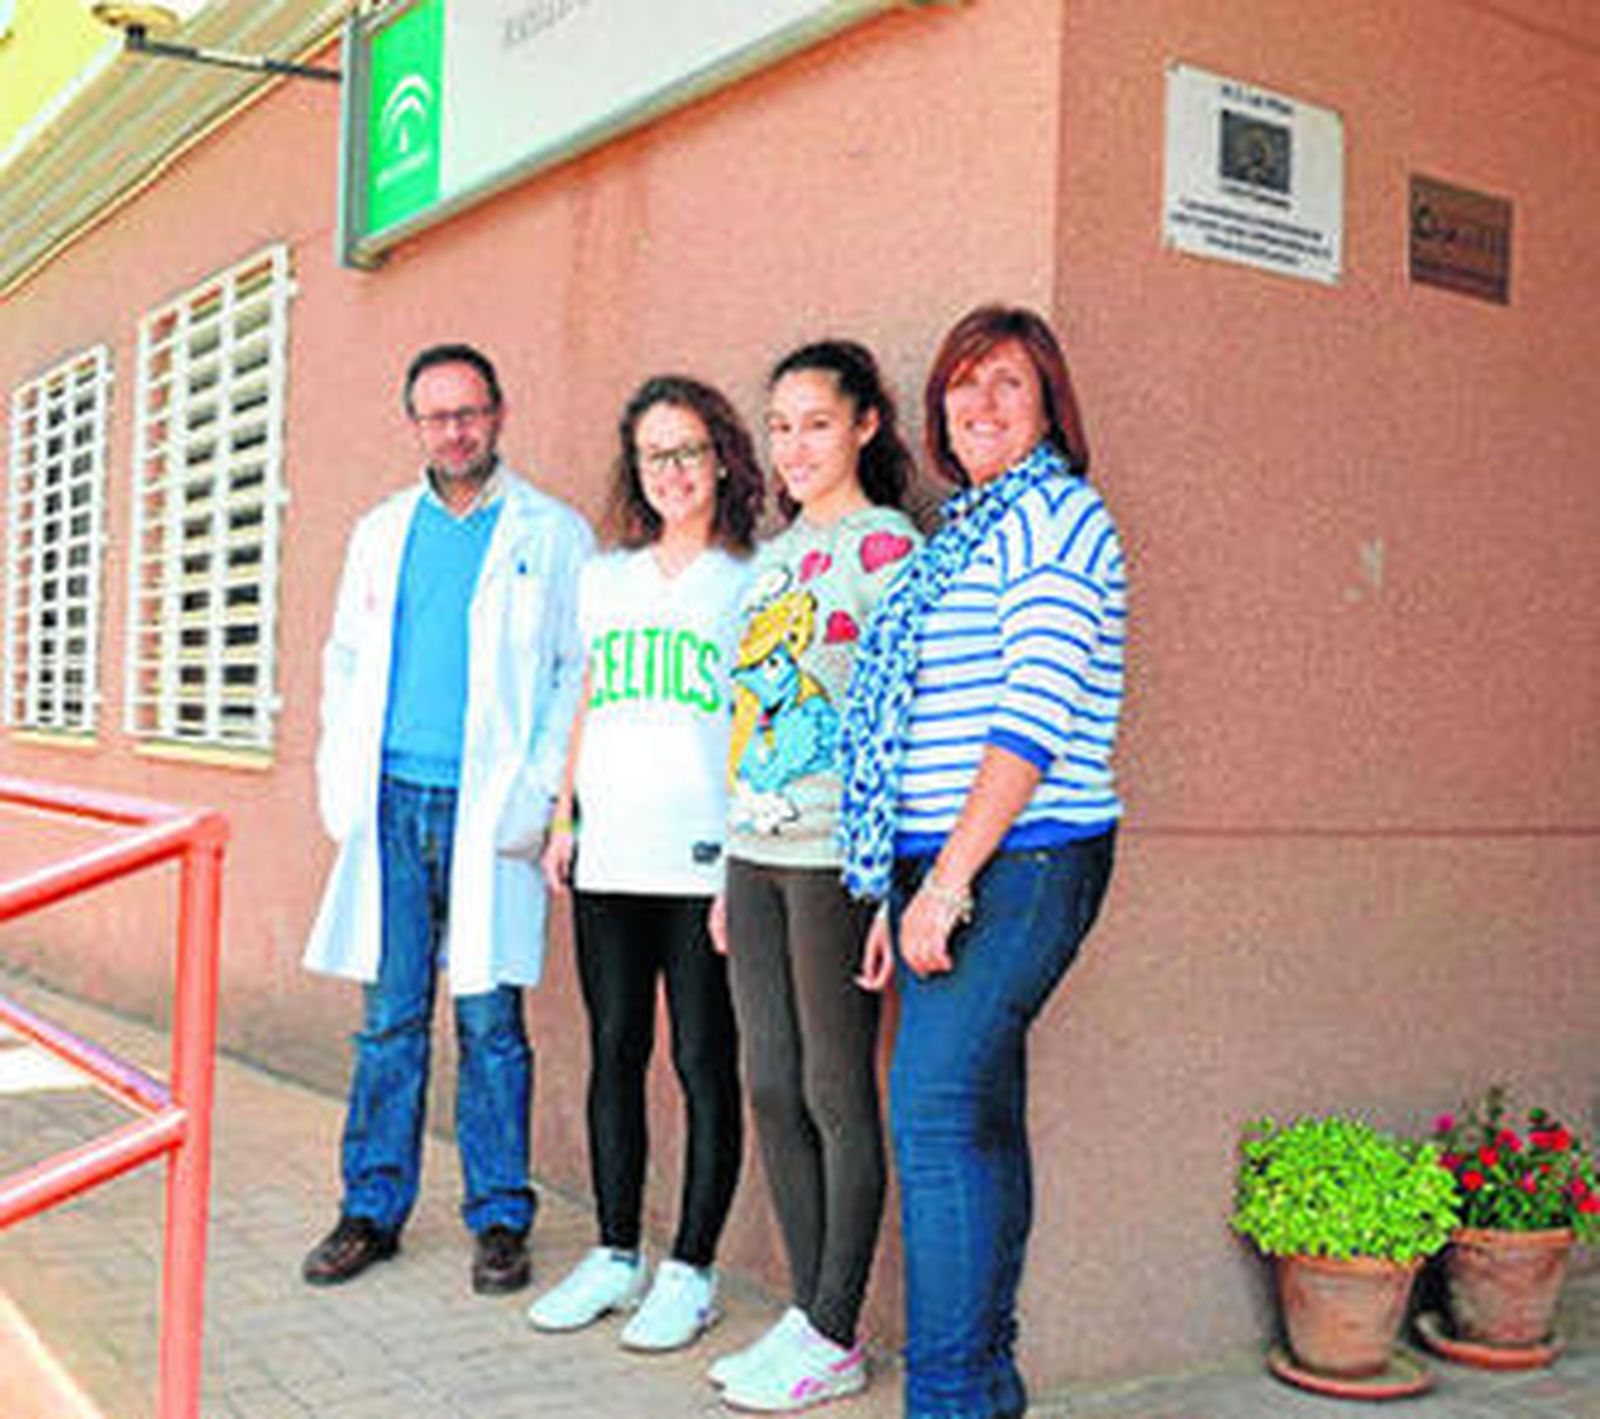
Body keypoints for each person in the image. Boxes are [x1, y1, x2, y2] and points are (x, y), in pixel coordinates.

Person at [840, 305, 1125, 1419]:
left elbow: (1030, 715)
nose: (981, 405)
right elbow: (913, 724)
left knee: (932, 1115)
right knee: (976, 1118)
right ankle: (985, 1389)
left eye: (1009, 383)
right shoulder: (965, 528)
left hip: (1025, 858)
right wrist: (898, 888)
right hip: (941, 864)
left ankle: (950, 1397)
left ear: (1051, 403)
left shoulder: (1056, 517)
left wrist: (950, 883)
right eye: (963, 385)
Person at [300, 342, 593, 1295]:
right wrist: (341, 776)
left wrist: (541, 788)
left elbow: (573, 676)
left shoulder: (551, 532)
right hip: (391, 800)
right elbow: (345, 658)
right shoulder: (382, 531)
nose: (455, 429)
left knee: (490, 1019)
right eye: (436, 415)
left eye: (469, 412)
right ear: (414, 425)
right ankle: (370, 1209)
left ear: (499, 414)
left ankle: (500, 1217)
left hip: (488, 808)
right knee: (389, 1019)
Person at [526, 376, 763, 1350]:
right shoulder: (605, 579)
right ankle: (616, 1253)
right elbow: (588, 697)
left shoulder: (754, 577)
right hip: (609, 852)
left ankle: (691, 1271)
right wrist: (563, 813)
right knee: (614, 1051)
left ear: (722, 460)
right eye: (653, 454)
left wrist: (741, 860)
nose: (671, 471)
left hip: (703, 862)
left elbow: (763, 718)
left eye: (688, 450)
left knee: (705, 1061)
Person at [709, 340, 920, 1412]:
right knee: (771, 1082)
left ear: (866, 427)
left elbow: (903, 724)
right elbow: (744, 718)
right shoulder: (770, 557)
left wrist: (884, 882)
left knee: (838, 1090)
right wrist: (720, 871)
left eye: (817, 423)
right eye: (780, 425)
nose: (795, 446)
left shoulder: (887, 548)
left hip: (835, 861)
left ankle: (835, 1331)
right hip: (752, 856)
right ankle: (807, 1314)